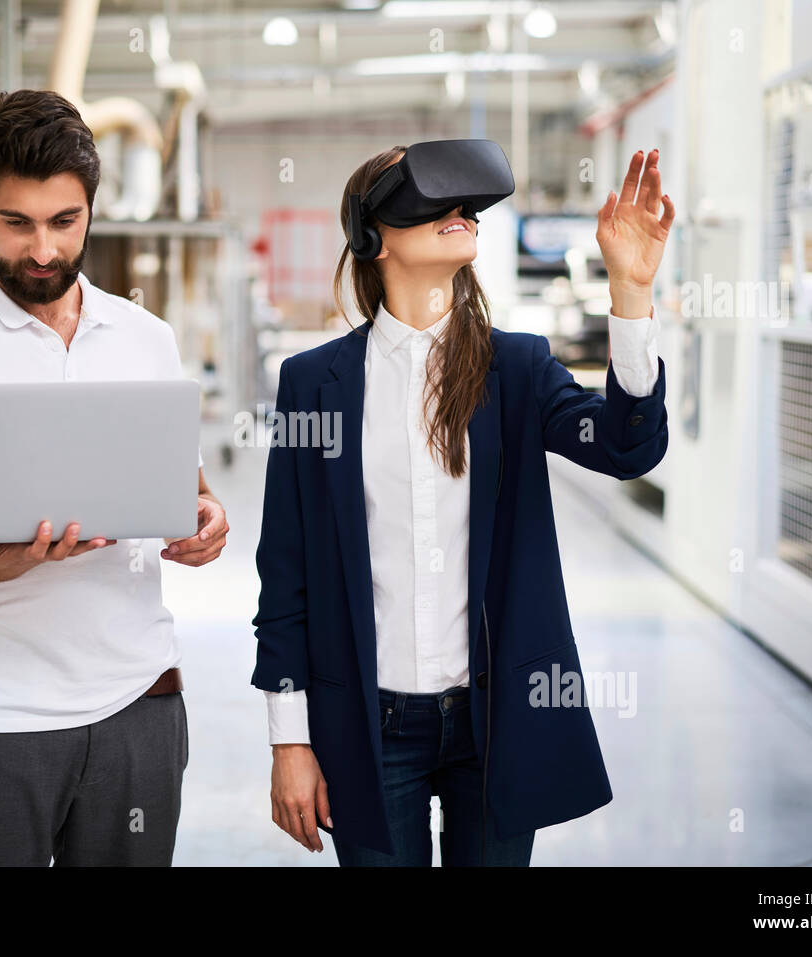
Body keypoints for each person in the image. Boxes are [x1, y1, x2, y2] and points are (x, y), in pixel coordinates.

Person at [252, 142, 673, 866]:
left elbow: (625, 447)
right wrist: (289, 737)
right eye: (433, 201)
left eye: (466, 206)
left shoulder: (517, 367)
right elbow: (285, 575)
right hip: (369, 721)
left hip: (497, 717)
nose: (460, 214)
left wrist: (630, 296)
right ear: (370, 237)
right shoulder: (311, 385)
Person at [0, 89, 228, 866]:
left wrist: (205, 519)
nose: (42, 251)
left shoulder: (146, 338)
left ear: (92, 207)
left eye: (65, 223)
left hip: (140, 706)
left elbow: (186, 487)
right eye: (16, 223)